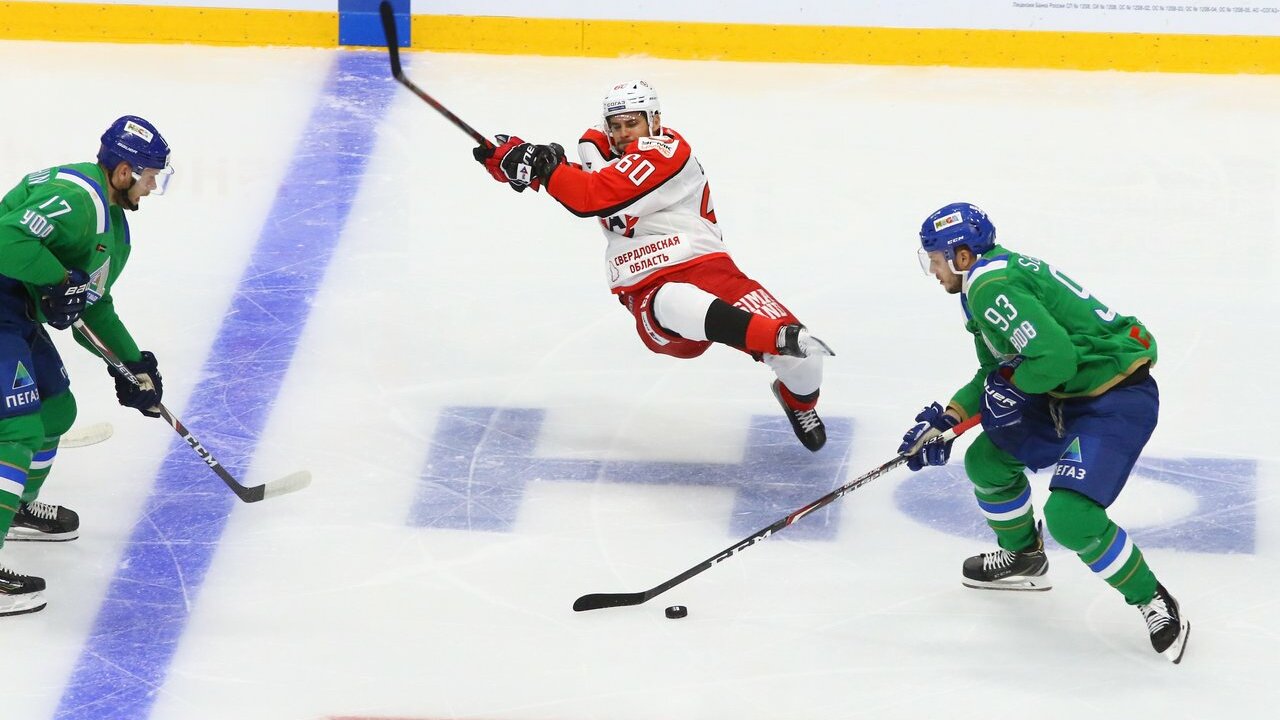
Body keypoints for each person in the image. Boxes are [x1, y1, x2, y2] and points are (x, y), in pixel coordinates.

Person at [897, 202, 1190, 663]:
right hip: (1065, 392)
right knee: (986, 462)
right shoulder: (981, 284)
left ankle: (1153, 598)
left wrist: (1011, 390)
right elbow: (997, 371)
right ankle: (1024, 558)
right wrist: (948, 419)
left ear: (962, 256)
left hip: (1113, 397)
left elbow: (1055, 360)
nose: (932, 270)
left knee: (1071, 517)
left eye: (935, 259)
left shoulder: (990, 287)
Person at [471, 80, 834, 451]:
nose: (624, 133)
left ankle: (797, 400)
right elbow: (569, 178)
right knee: (677, 300)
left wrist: (541, 167)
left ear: (655, 120)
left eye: (633, 123)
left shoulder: (666, 151)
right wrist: (510, 160)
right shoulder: (600, 155)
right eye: (616, 125)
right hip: (648, 283)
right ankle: (773, 336)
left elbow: (589, 194)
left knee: (805, 357)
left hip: (711, 266)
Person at [0, 116, 172, 617]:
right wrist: (58, 280)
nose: (153, 185)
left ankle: (12, 506)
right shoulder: (77, 198)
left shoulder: (114, 228)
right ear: (123, 171)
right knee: (16, 430)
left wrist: (131, 364)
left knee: (56, 409)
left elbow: (91, 307)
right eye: (149, 175)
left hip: (15, 310)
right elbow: (5, 238)